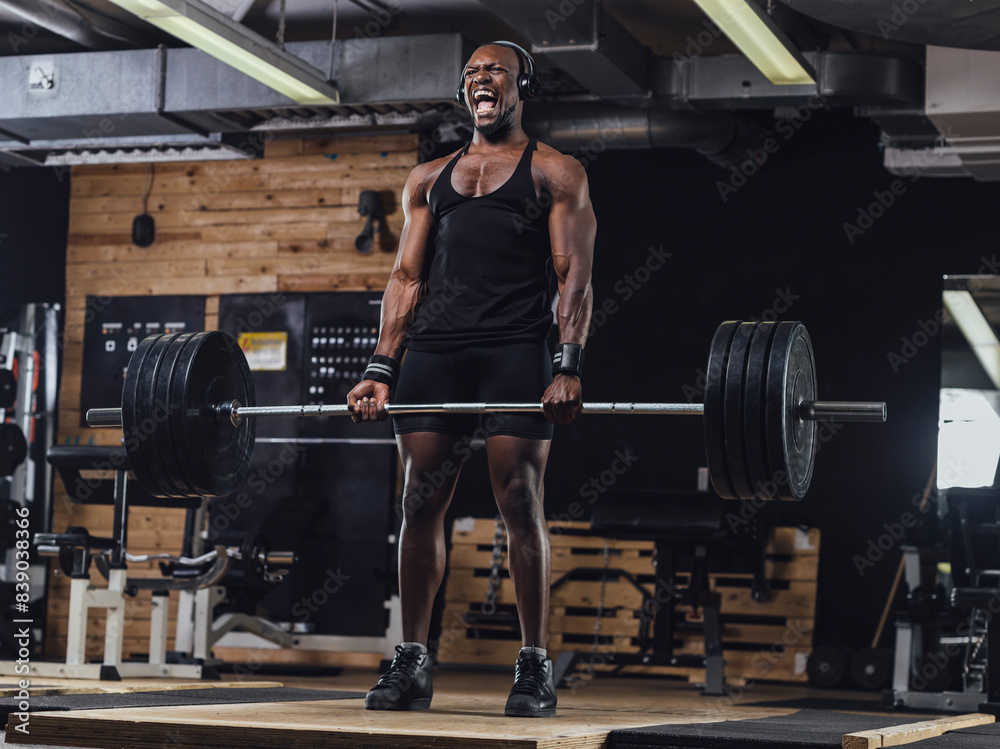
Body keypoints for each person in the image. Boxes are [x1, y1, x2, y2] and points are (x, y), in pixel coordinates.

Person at [347, 40, 596, 718]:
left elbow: (574, 274)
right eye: (471, 74)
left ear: (522, 87)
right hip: (437, 351)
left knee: (519, 497)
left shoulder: (555, 171)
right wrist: (381, 367)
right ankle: (413, 661)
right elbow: (405, 277)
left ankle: (534, 666)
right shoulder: (428, 178)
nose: (481, 81)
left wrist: (565, 363)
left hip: (515, 347)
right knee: (419, 502)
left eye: (495, 72)